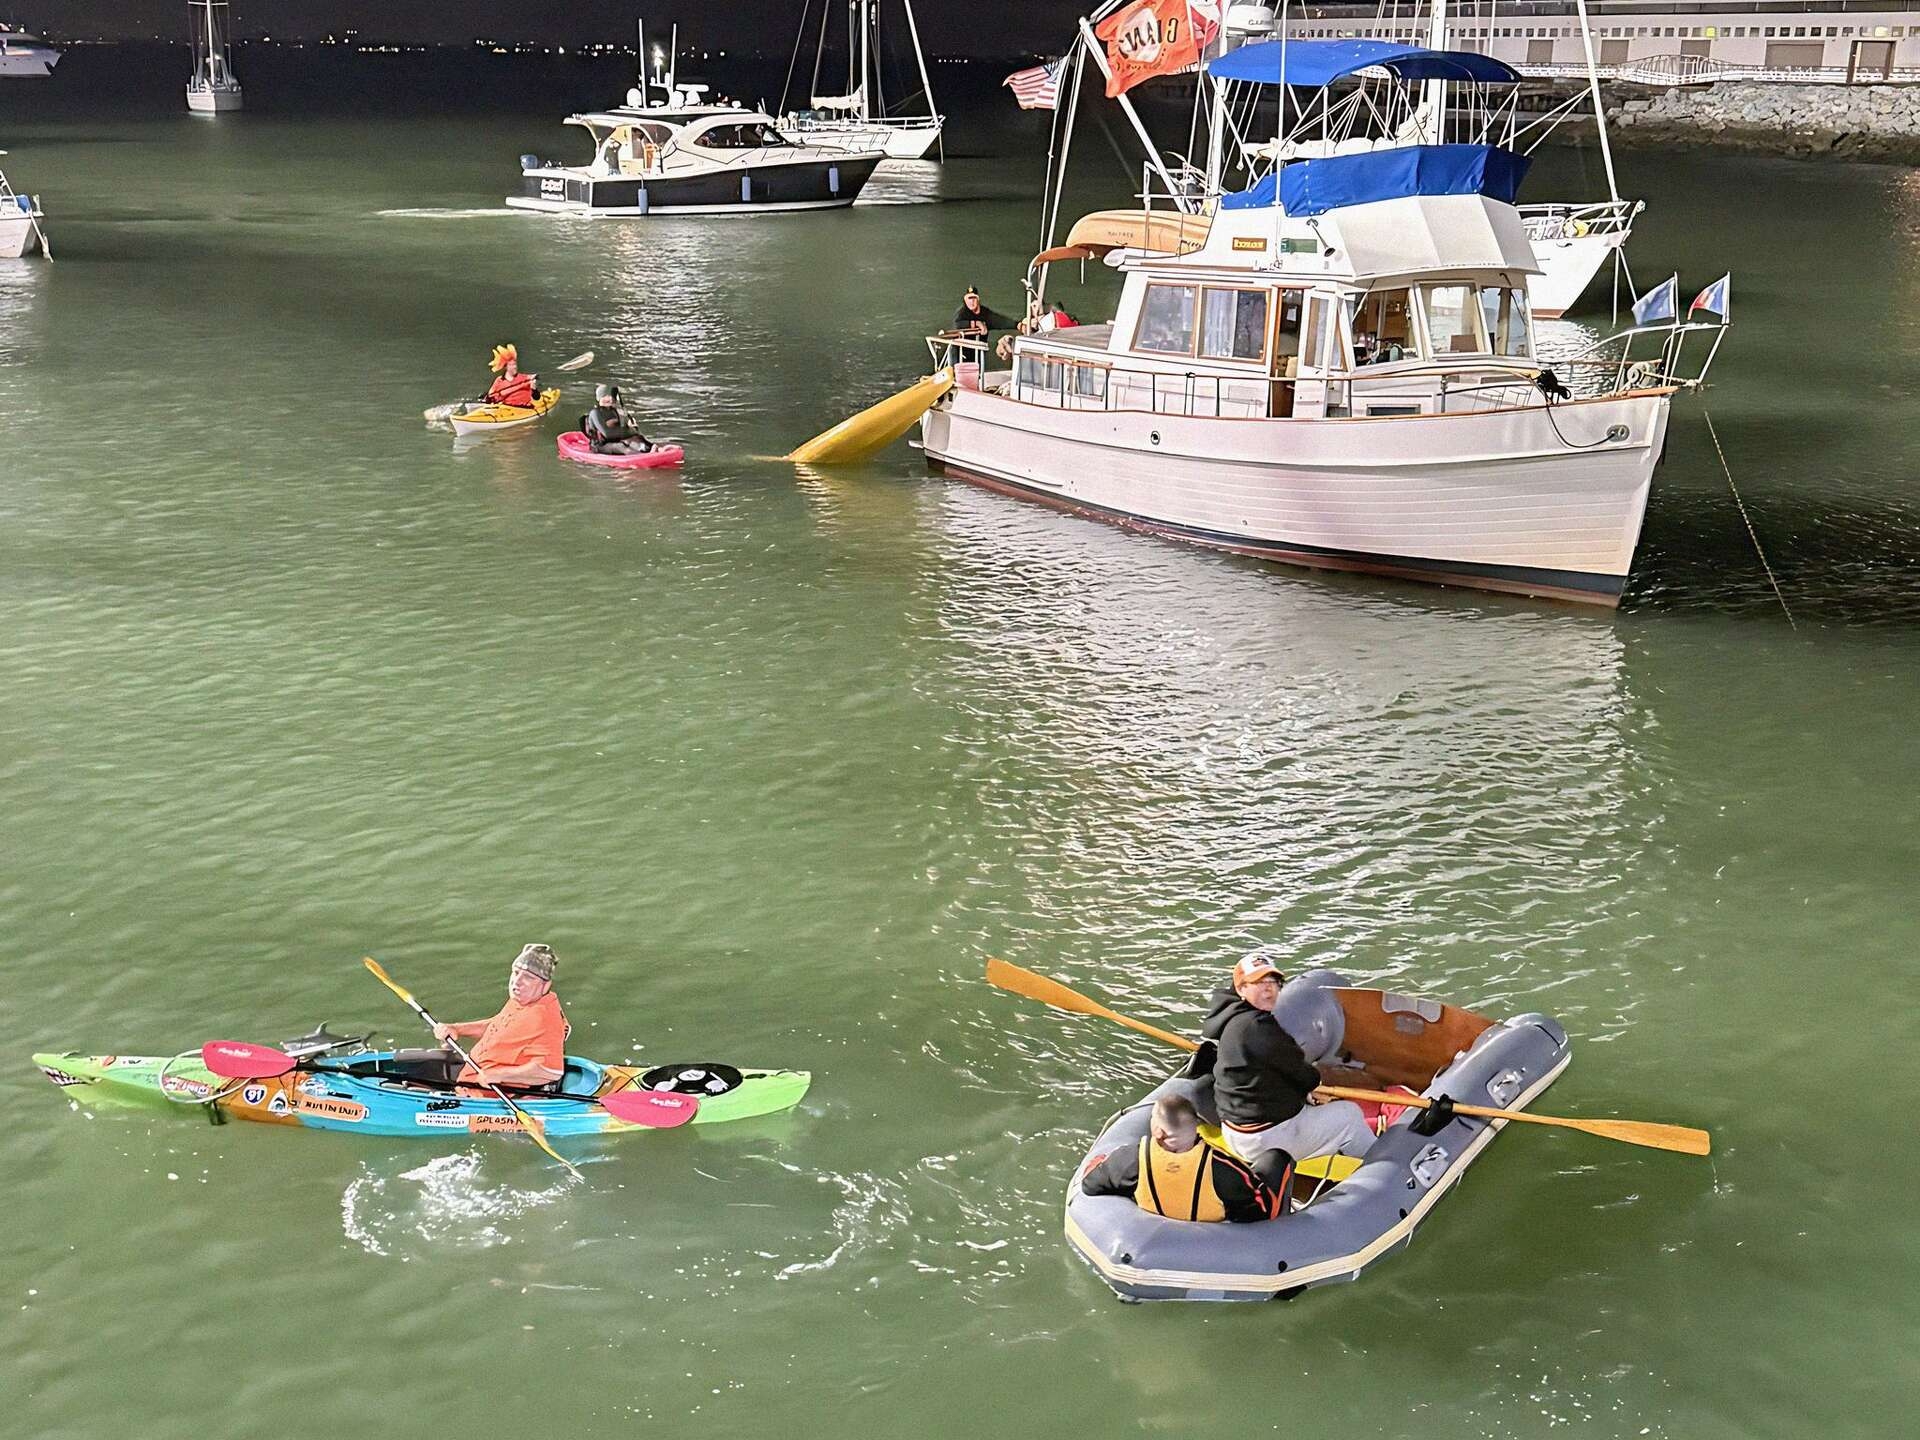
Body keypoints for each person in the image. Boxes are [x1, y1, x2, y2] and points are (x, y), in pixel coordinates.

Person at [1200, 952, 1377, 1167]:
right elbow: (1304, 1075)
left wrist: (1305, 1092)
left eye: (1273, 982)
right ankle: (1380, 1165)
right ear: (1241, 989)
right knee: (1349, 1116)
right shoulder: (1260, 1029)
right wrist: (1313, 1084)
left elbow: (1273, 1073)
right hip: (1263, 1140)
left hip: (1233, 1130)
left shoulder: (1230, 1020)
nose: (1268, 989)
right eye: (1259, 982)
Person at [1079, 1094, 1289, 1223]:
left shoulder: (1131, 1160)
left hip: (1156, 1225)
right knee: (1277, 1158)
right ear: (1196, 1125)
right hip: (1212, 1234)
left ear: (1158, 1131)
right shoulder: (1222, 1167)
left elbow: (1089, 1184)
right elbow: (1263, 1209)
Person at [417, 943, 570, 1090]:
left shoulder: (544, 1018)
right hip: (470, 1076)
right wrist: (456, 1029)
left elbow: (551, 1071)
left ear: (545, 985)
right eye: (516, 973)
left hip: (489, 1095)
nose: (517, 982)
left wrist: (500, 1075)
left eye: (529, 978)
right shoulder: (523, 1001)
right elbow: (498, 1026)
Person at [581, 383, 652, 455]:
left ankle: (651, 450)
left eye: (612, 396)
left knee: (637, 440)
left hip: (616, 441)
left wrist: (631, 427)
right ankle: (641, 456)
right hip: (600, 446)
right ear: (599, 398)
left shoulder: (614, 411)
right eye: (606, 396)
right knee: (620, 446)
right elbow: (608, 434)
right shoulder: (595, 413)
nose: (610, 399)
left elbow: (622, 430)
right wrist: (631, 431)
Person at [949, 286, 1018, 340]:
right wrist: (977, 323)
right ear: (965, 300)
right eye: (969, 298)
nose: (972, 301)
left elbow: (999, 321)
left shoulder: (985, 313)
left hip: (979, 349)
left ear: (978, 300)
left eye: (974, 298)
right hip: (961, 349)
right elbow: (957, 325)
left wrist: (1017, 325)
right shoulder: (962, 312)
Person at [486, 344, 540, 408]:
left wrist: (534, 389)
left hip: (524, 408)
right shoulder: (499, 381)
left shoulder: (525, 378)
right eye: (511, 365)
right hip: (506, 408)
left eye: (515, 364)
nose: (514, 367)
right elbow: (490, 397)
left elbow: (537, 397)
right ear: (506, 367)